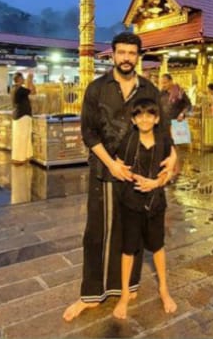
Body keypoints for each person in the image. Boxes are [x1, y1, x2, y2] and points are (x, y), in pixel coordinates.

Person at [64, 32, 176, 322]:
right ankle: (92, 294)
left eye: (132, 53)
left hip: (140, 174)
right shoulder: (97, 89)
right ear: (112, 54)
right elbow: (88, 132)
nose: (126, 57)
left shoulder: (149, 89)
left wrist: (173, 155)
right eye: (121, 52)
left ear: (138, 56)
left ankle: (127, 287)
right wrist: (111, 163)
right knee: (97, 232)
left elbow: (163, 129)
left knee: (132, 234)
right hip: (105, 171)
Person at [112, 98, 177, 319]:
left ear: (156, 118)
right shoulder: (127, 142)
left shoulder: (164, 142)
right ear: (133, 119)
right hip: (131, 202)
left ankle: (164, 289)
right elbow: (119, 166)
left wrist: (156, 183)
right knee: (128, 248)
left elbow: (169, 171)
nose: (145, 119)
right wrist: (130, 174)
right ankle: (124, 295)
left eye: (150, 115)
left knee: (158, 246)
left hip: (155, 202)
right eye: (139, 115)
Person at [10, 72, 35, 164]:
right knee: (23, 137)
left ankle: (25, 156)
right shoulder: (19, 89)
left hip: (18, 115)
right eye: (22, 78)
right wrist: (30, 80)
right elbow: (32, 91)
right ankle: (20, 158)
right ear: (19, 79)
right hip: (22, 115)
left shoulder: (13, 88)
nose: (23, 79)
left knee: (21, 137)